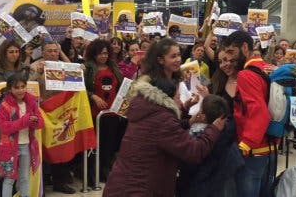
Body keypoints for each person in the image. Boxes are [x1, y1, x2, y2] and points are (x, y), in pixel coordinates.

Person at [103, 38, 225, 197]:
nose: (178, 60)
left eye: (179, 55)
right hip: (140, 189)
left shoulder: (148, 105)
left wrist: (186, 116)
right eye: (172, 56)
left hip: (125, 184)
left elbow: (163, 129)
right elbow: (194, 150)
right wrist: (214, 129)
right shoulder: (162, 118)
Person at [225, 31, 275, 197]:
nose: (230, 58)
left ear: (244, 47)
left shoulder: (246, 74)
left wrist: (245, 145)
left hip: (253, 149)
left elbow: (260, 112)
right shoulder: (266, 68)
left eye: (232, 52)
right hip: (269, 146)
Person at [0, 39, 30, 195]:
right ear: (3, 53)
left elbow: (33, 89)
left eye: (17, 51)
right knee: (0, 157)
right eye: (11, 52)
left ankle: (18, 190)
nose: (14, 55)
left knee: (21, 160)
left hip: (21, 121)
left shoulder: (24, 69)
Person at [29, 41, 76, 194]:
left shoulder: (62, 64)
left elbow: (74, 72)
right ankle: (41, 183)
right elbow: (29, 87)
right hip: (43, 112)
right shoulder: (34, 66)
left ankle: (60, 182)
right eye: (49, 51)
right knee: (43, 148)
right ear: (43, 52)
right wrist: (38, 73)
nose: (53, 54)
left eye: (55, 51)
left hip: (62, 111)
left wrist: (63, 54)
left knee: (60, 146)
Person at [177, 94, 241, 197]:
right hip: (216, 185)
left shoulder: (196, 136)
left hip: (195, 187)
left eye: (201, 108)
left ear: (203, 116)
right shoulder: (227, 131)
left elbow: (189, 164)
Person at [0, 73, 43, 197]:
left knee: (24, 177)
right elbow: (3, 126)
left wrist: (35, 121)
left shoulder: (31, 102)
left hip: (26, 145)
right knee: (9, 179)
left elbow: (41, 122)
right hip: (9, 148)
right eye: (17, 87)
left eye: (23, 86)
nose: (21, 90)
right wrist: (24, 121)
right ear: (10, 89)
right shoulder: (5, 106)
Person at [84, 39, 124, 183]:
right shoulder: (88, 68)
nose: (104, 56)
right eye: (100, 54)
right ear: (94, 55)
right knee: (94, 146)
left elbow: (121, 86)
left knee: (109, 144)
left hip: (112, 112)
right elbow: (83, 88)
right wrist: (93, 96)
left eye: (106, 53)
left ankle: (105, 171)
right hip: (95, 114)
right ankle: (91, 173)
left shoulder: (113, 67)